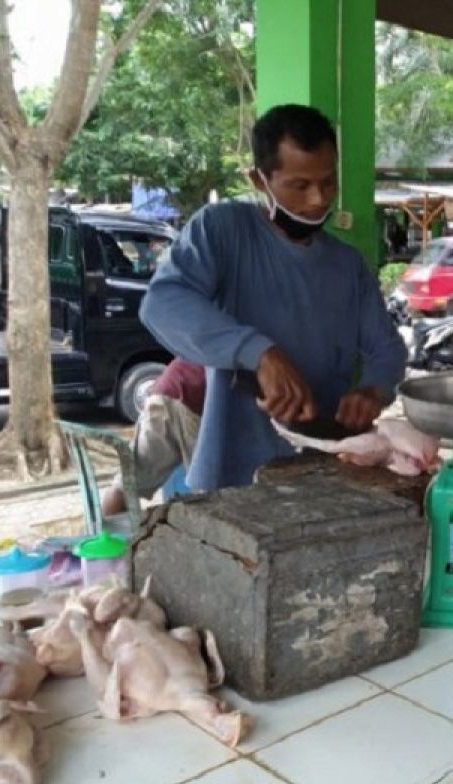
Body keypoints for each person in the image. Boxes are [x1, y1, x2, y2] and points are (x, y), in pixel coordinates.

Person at [140, 104, 408, 491]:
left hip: (324, 466)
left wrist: (373, 390)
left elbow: (387, 350)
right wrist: (260, 353)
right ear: (260, 180)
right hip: (233, 471)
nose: (318, 199)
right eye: (300, 185)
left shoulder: (348, 265)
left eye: (329, 182)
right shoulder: (223, 231)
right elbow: (163, 303)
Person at [101, 359, 205, 515]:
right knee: (217, 491)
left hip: (163, 391)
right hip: (192, 398)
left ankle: (106, 537)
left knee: (126, 485)